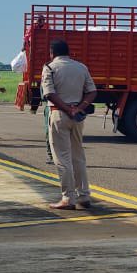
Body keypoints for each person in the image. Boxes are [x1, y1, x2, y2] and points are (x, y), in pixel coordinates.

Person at [41, 38, 96, 210]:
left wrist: (67, 109)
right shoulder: (81, 67)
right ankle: (84, 195)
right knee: (78, 156)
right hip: (78, 117)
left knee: (62, 158)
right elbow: (92, 91)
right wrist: (79, 108)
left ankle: (68, 198)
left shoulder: (49, 68)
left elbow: (49, 93)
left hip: (59, 114)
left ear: (52, 53)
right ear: (69, 52)